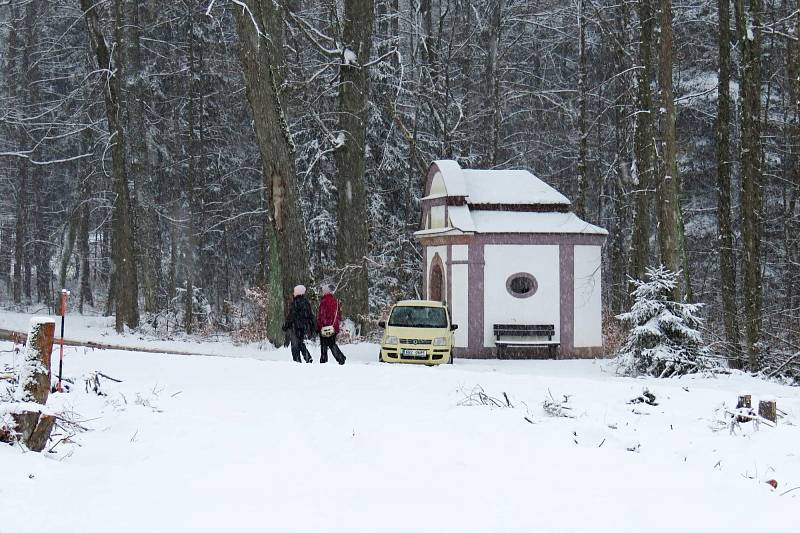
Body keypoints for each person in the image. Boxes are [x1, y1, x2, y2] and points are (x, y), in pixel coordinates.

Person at [283, 285, 315, 363]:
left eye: (294, 292)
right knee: (300, 343)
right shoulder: (306, 302)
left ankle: (297, 361)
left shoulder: (295, 303)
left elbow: (291, 316)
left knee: (295, 344)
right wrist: (311, 326)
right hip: (303, 327)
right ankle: (308, 357)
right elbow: (310, 316)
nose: (293, 293)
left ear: (297, 292)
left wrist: (286, 325)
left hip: (295, 326)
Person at [316, 283, 346, 365]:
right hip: (334, 326)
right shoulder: (335, 301)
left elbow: (321, 315)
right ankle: (340, 357)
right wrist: (335, 324)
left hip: (324, 327)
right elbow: (339, 315)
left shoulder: (323, 302)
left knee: (324, 345)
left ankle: (325, 360)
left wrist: (319, 326)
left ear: (325, 292)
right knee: (332, 343)